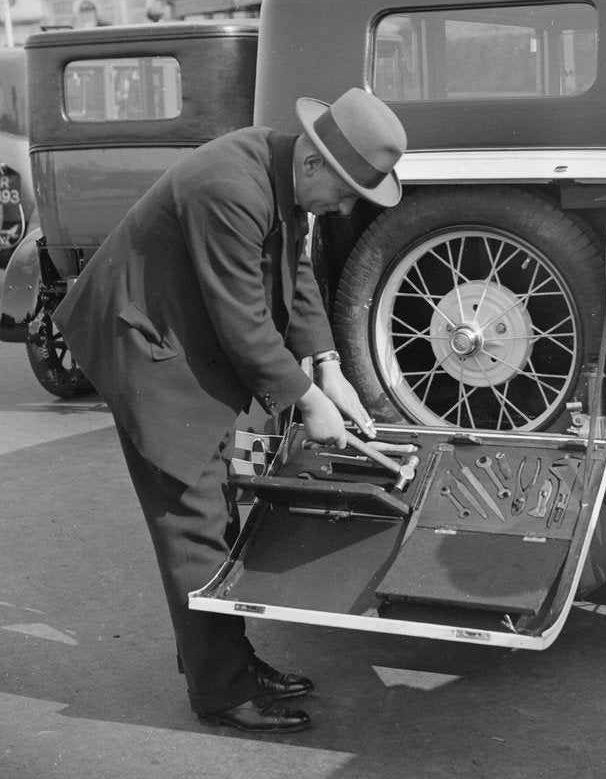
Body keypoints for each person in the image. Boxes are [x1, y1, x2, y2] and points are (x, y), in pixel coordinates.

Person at [53, 87, 407, 735]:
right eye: (349, 191)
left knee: (217, 511)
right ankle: (221, 691)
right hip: (146, 345)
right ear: (313, 164)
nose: (347, 206)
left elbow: (295, 277)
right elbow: (243, 321)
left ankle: (228, 661)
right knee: (196, 520)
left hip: (181, 338)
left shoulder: (283, 174)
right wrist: (308, 403)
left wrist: (328, 364)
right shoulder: (229, 185)